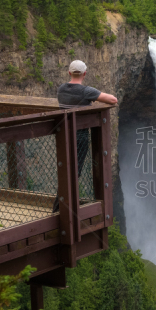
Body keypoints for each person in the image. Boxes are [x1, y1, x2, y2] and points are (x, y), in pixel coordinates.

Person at [52, 60, 117, 213]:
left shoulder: (61, 89)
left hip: (63, 136)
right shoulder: (86, 91)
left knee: (66, 171)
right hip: (79, 138)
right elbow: (113, 100)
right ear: (85, 74)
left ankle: (61, 207)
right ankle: (59, 209)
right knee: (74, 173)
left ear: (69, 72)